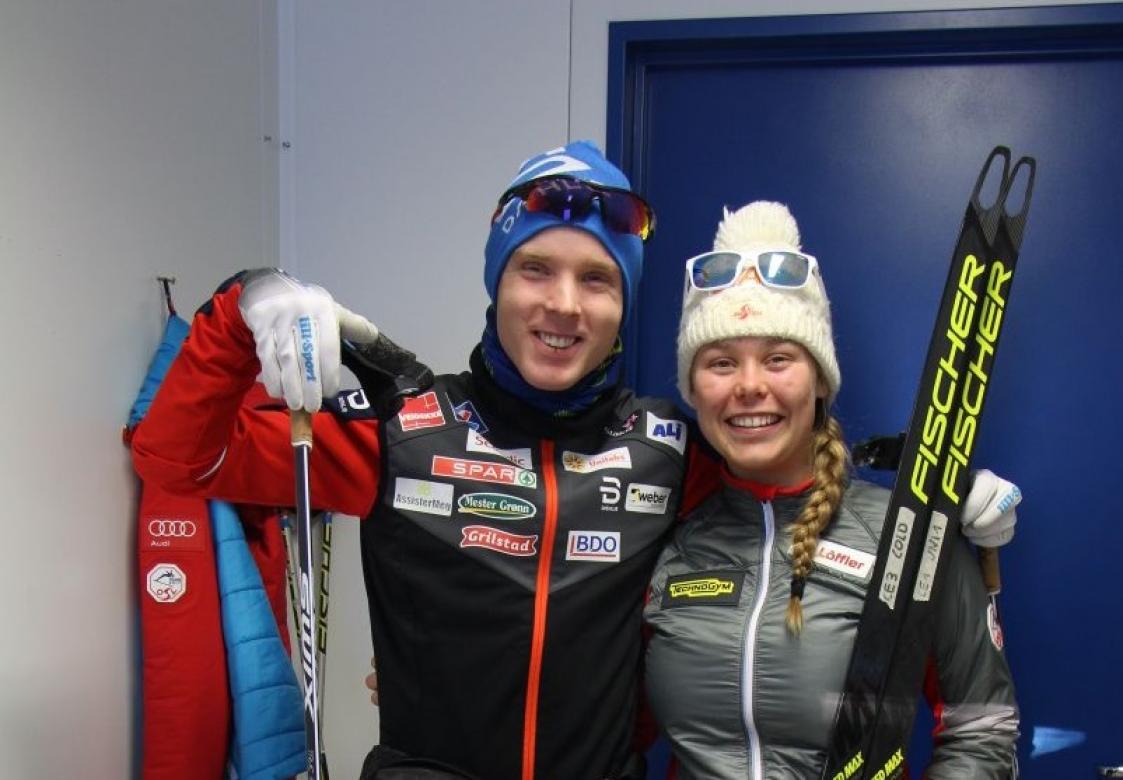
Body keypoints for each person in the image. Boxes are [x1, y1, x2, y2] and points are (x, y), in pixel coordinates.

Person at [133, 142, 1017, 780]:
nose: (564, 305)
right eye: (535, 270)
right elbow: (176, 459)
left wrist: (930, 492)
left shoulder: (671, 450)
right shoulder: (403, 428)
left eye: (597, 280)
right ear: (497, 281)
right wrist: (239, 307)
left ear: (624, 304)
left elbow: (781, 459)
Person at [642, 201, 1020, 779]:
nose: (749, 386)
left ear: (819, 377)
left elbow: (983, 726)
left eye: (777, 359)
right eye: (720, 362)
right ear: (693, 388)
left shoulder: (907, 537)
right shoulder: (663, 527)